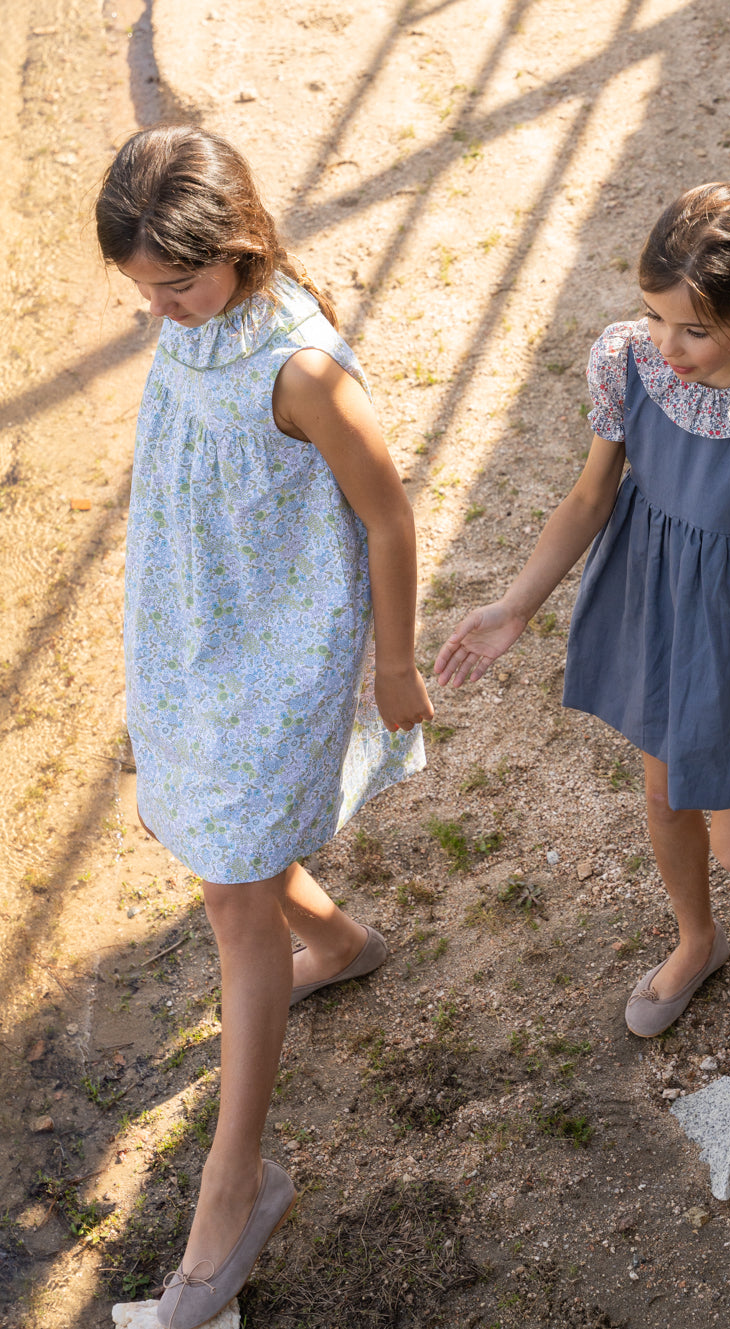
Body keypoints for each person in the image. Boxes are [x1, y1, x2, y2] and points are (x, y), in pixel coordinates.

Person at [95, 124, 433, 1328]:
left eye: (176, 283)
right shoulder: (190, 322)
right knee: (204, 835)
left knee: (230, 901)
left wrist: (394, 664)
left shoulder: (301, 367)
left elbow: (388, 518)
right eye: (140, 291)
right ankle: (339, 946)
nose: (160, 309)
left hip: (279, 652)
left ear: (238, 248)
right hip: (192, 624)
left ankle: (234, 1197)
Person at [436, 182, 730, 1040]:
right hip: (657, 598)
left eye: (694, 329)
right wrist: (516, 605)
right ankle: (696, 939)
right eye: (654, 316)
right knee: (665, 788)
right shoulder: (625, 360)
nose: (666, 345)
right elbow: (592, 495)